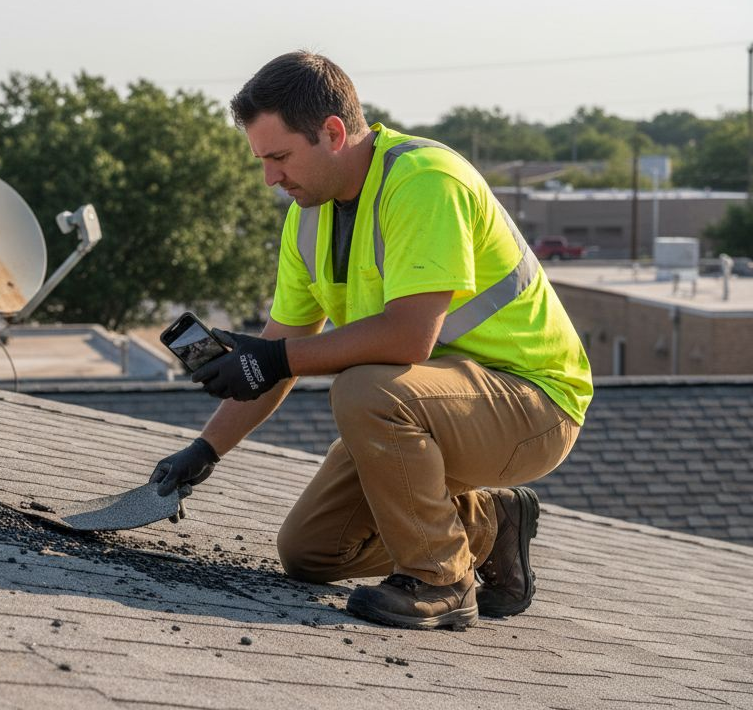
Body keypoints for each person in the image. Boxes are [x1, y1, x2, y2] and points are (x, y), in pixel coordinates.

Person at [148, 51, 592, 630]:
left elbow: (407, 337)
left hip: (534, 405)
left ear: (333, 132)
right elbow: (276, 353)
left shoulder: (424, 180)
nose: (270, 178)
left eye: (279, 157)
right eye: (262, 160)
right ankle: (489, 525)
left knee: (363, 389)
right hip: (433, 406)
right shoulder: (307, 219)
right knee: (310, 551)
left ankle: (441, 579)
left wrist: (274, 358)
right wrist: (205, 451)